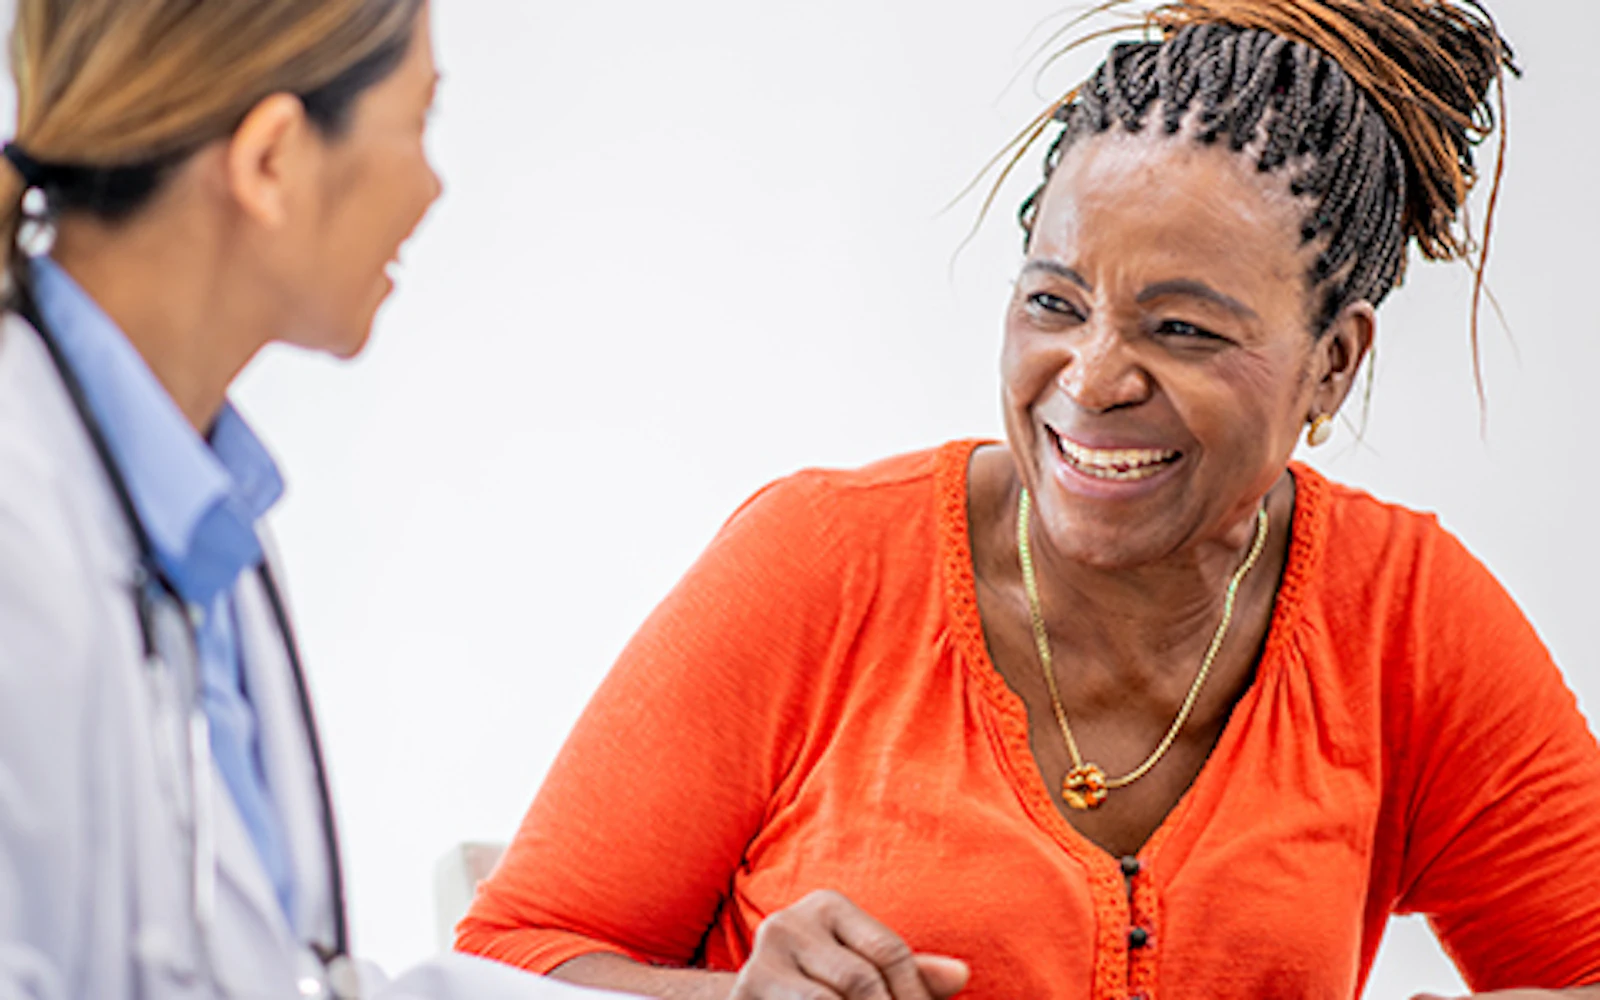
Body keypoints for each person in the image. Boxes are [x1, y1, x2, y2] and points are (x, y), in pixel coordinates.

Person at [454, 1, 1600, 998]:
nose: (1093, 378)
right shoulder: (819, 563)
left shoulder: (1402, 618)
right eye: (1054, 303)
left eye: (1183, 328)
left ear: (1332, 365)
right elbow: (500, 961)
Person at [0, 2, 610, 999]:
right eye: (419, 122)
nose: (431, 186)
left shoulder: (197, 514)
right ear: (271, 160)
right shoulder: (23, 515)